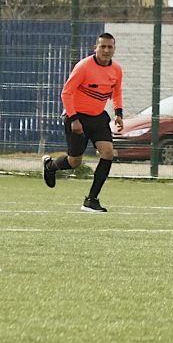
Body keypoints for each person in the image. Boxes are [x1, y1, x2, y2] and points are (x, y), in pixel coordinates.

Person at [42, 32, 124, 213]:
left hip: (98, 117)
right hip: (77, 117)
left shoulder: (116, 70)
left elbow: (116, 92)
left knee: (108, 153)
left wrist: (118, 113)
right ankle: (50, 166)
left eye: (110, 47)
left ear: (114, 49)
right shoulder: (84, 67)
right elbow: (66, 93)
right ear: (95, 48)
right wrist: (74, 119)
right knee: (74, 162)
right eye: (102, 46)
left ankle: (91, 200)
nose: (106, 50)